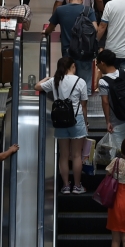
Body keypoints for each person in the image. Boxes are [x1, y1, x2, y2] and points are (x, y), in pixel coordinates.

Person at [37, 57, 91, 194]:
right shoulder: (80, 81)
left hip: (60, 121)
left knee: (64, 155)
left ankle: (66, 186)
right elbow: (84, 105)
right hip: (76, 119)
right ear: (73, 66)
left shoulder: (55, 81)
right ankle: (77, 186)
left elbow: (37, 86)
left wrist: (46, 78)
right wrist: (85, 122)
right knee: (77, 155)